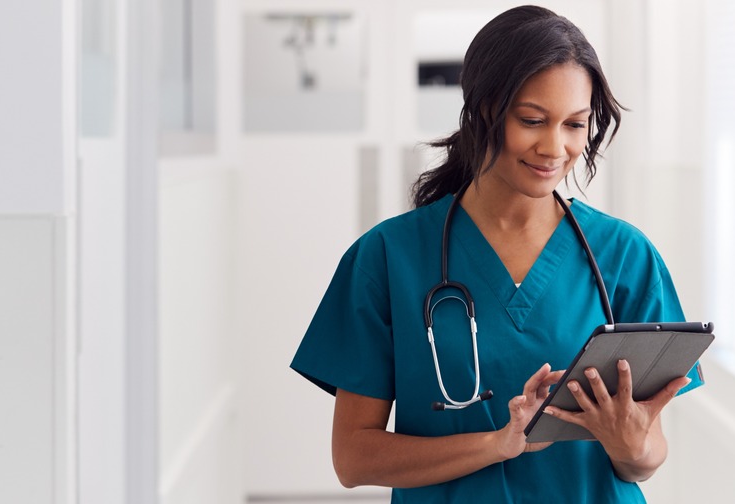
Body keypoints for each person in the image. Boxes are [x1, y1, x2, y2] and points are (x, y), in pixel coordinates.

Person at [290, 5, 703, 503]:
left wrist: (631, 443)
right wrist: (496, 444)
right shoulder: (386, 257)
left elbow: (647, 457)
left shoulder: (623, 255)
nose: (555, 148)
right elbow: (353, 459)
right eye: (532, 119)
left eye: (575, 125)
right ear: (483, 108)